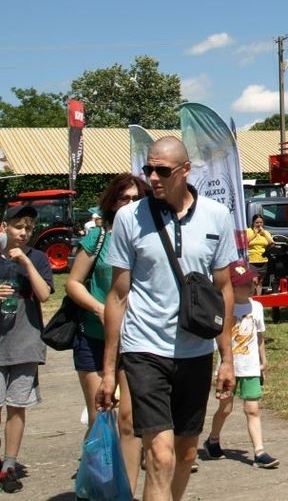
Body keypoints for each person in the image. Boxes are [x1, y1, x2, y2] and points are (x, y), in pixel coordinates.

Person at [97, 136, 239, 501]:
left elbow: (224, 290)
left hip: (195, 350)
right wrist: (109, 370)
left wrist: (228, 359)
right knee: (159, 455)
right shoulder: (130, 217)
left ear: (185, 170)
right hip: (144, 349)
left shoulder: (216, 216)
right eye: (148, 169)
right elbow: (118, 294)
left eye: (162, 170)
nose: (153, 177)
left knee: (185, 453)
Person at [66, 173, 149, 498]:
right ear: (112, 202)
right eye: (123, 198)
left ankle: (125, 491)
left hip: (132, 340)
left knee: (128, 421)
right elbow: (73, 283)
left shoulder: (147, 236)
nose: (129, 204)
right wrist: (101, 309)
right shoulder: (98, 237)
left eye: (135, 198)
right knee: (102, 414)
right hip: (93, 337)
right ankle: (99, 488)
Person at [202, 261, 278, 468]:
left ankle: (259, 452)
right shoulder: (224, 308)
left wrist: (264, 360)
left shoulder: (257, 307)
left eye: (251, 282)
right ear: (231, 287)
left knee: (252, 409)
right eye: (244, 284)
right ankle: (213, 440)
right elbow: (216, 340)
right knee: (225, 409)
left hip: (251, 367)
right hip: (230, 369)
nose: (251, 285)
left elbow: (259, 337)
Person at [0, 206, 54, 494]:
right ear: (4, 227)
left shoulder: (39, 258)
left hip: (25, 343)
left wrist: (26, 264)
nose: (23, 232)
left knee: (16, 407)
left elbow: (45, 294)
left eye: (29, 228)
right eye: (18, 226)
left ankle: (9, 465)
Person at [245, 212, 275, 295]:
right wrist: (255, 234)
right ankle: (251, 299)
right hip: (251, 261)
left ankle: (259, 299)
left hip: (263, 260)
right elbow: (245, 242)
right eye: (257, 222)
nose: (259, 224)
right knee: (254, 281)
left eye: (261, 222)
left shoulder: (265, 233)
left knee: (260, 282)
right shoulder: (248, 231)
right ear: (253, 223)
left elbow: (271, 243)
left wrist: (264, 233)